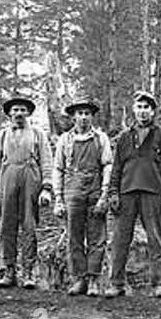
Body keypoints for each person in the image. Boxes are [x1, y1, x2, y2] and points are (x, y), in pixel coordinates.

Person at [103, 91, 161, 299]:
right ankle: (116, 283)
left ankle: (159, 283)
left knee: (155, 238)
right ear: (133, 110)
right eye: (139, 107)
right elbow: (116, 167)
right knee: (120, 239)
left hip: (153, 193)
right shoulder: (124, 138)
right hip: (127, 193)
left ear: (153, 111)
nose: (143, 112)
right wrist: (113, 193)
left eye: (147, 107)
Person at [0, 90, 55, 289]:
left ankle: (29, 272)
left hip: (30, 182)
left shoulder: (38, 134)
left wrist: (46, 188)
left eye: (23, 110)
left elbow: (47, 162)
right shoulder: (2, 135)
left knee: (29, 227)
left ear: (28, 113)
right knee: (6, 227)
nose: (19, 113)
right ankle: (9, 270)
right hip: (6, 182)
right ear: (9, 113)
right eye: (15, 110)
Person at [53, 97, 113, 296]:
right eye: (80, 113)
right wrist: (58, 198)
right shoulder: (65, 140)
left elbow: (107, 165)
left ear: (92, 116)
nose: (84, 117)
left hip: (95, 190)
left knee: (97, 236)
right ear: (73, 116)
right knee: (74, 236)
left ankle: (94, 279)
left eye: (87, 113)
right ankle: (79, 279)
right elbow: (58, 169)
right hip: (73, 191)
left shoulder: (101, 138)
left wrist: (105, 194)